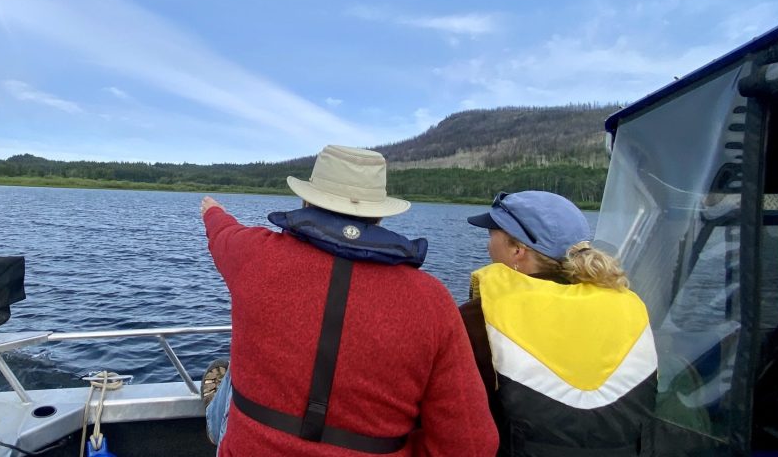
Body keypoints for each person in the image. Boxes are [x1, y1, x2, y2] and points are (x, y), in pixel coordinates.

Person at [200, 145, 498, 456]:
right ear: (379, 214)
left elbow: (223, 233)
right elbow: (473, 446)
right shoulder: (432, 300)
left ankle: (213, 418)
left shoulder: (253, 255)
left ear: (306, 200)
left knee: (236, 372)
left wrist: (212, 211)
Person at [460, 191, 656, 456]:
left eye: (492, 235)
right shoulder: (631, 307)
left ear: (518, 250)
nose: (488, 246)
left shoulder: (477, 318)